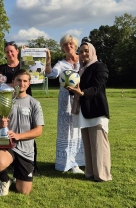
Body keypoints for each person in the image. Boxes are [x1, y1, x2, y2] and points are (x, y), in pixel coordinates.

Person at [0, 69, 44, 196]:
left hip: (26, 150)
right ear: (13, 82)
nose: (22, 83)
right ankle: (5, 180)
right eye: (19, 80)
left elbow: (38, 130)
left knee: (23, 191)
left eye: (25, 81)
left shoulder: (34, 103)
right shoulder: (3, 100)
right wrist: (1, 124)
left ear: (29, 83)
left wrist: (18, 136)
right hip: (8, 145)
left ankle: (18, 175)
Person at [67, 42, 112, 182]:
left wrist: (81, 93)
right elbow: (78, 89)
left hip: (96, 111)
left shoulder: (100, 67)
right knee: (88, 145)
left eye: (86, 51)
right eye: (80, 52)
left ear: (92, 51)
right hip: (84, 111)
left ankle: (102, 175)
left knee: (99, 145)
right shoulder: (81, 70)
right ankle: (90, 173)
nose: (83, 54)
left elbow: (97, 88)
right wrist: (72, 90)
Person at [0, 41, 39, 176]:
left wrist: (28, 55)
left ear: (17, 52)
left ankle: (33, 166)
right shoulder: (2, 68)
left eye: (12, 51)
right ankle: (8, 164)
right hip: (8, 103)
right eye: (7, 51)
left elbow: (37, 72)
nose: (10, 53)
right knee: (8, 132)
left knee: (29, 134)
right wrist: (17, 83)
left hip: (26, 101)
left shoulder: (24, 64)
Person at [45, 35, 85, 174]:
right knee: (67, 130)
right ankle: (67, 163)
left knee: (79, 129)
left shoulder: (84, 60)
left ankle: (80, 161)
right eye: (65, 45)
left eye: (71, 44)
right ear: (62, 48)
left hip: (82, 98)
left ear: (75, 45)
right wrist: (48, 60)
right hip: (65, 100)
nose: (68, 46)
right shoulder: (61, 64)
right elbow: (51, 75)